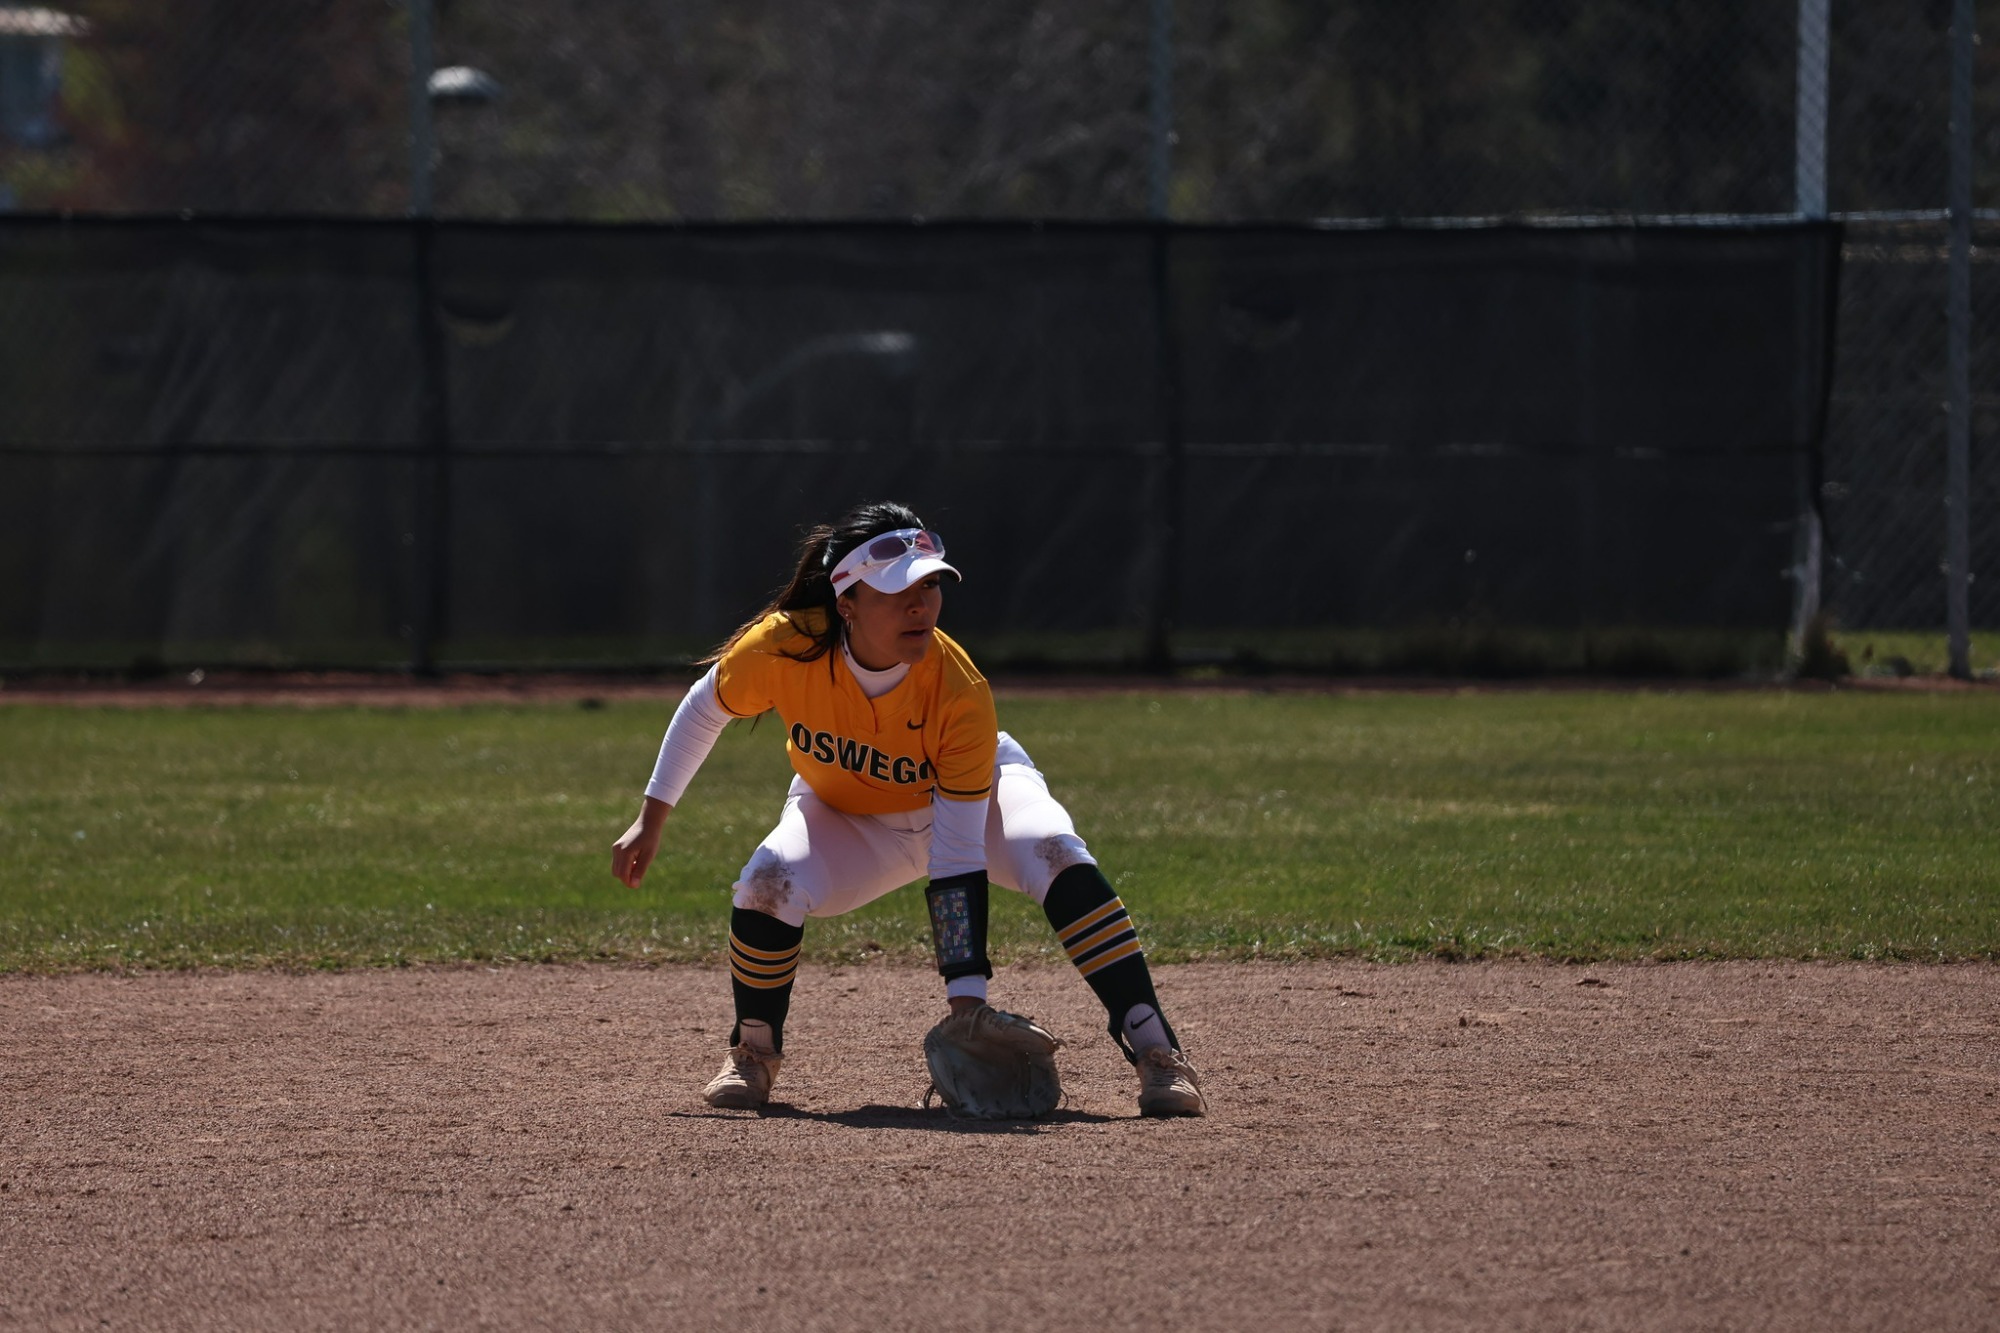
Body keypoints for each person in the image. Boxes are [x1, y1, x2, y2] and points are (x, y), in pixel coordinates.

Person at [611, 500, 1206, 1117]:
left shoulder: (958, 689)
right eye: (898, 591)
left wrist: (966, 1002)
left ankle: (1158, 1054)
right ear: (847, 604)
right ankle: (753, 1054)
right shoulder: (785, 647)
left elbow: (955, 852)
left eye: (930, 584)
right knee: (765, 885)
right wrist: (650, 821)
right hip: (848, 818)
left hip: (977, 803)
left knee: (1056, 857)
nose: (921, 605)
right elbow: (705, 707)